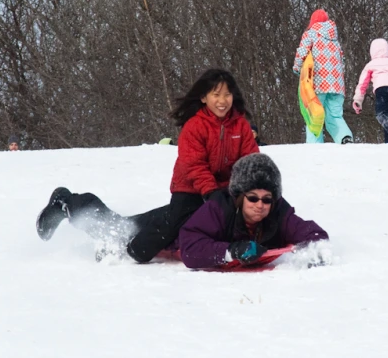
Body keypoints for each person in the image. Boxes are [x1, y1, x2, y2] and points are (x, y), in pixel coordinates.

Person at [35, 68, 260, 262]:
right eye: (216, 95)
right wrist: (211, 193)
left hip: (218, 195)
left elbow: (251, 162)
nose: (223, 101)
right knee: (130, 236)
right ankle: (67, 202)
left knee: (132, 224)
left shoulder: (239, 126)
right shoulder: (195, 127)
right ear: (204, 98)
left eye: (228, 94)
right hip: (189, 192)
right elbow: (194, 165)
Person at [179, 153, 329, 269]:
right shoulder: (218, 208)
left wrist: (314, 252)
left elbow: (314, 233)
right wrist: (231, 251)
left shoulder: (279, 212)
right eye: (252, 198)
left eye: (267, 200)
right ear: (240, 196)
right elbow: (189, 247)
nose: (260, 205)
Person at [292, 9, 353, 144]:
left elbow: (302, 52)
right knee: (335, 115)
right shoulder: (335, 39)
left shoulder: (310, 34)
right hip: (337, 85)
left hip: (318, 83)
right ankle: (344, 137)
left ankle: (315, 144)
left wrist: (297, 68)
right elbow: (342, 61)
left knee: (314, 115)